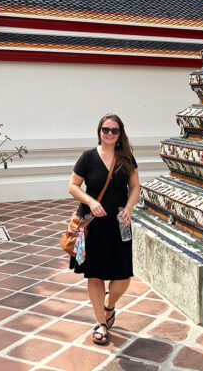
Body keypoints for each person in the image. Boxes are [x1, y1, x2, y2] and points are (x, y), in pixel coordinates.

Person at [68, 113, 140, 345]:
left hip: (119, 224)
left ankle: (109, 307)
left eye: (114, 130)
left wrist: (129, 208)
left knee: (123, 276)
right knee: (95, 273)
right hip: (93, 224)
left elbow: (136, 186)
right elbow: (73, 186)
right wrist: (91, 201)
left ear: (120, 134)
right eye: (105, 129)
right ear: (99, 131)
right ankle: (100, 322)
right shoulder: (87, 158)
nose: (109, 134)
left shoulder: (126, 157)